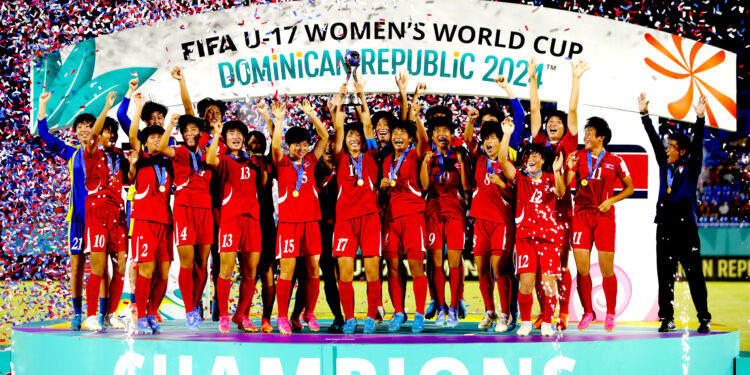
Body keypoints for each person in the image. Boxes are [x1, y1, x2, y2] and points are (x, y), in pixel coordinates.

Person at [638, 93, 711, 333]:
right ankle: (666, 319)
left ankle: (703, 317)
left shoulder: (691, 168)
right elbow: (653, 140)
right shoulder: (663, 165)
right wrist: (645, 116)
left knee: (695, 276)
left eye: (671, 146)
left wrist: (700, 118)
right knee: (665, 277)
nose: (666, 148)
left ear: (681, 152)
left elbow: (697, 144)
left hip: (686, 228)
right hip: (665, 228)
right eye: (667, 146)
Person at [528, 58, 587, 330]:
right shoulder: (539, 143)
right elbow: (535, 108)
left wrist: (575, 78)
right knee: (540, 267)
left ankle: (563, 312)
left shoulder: (570, 142)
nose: (551, 123)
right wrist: (532, 80)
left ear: (565, 127)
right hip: (538, 209)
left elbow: (572, 108)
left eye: (557, 122)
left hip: (562, 208)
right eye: (549, 121)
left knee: (559, 264)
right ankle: (545, 312)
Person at [463, 75, 524, 332]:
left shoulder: (509, 155)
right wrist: (470, 121)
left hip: (502, 220)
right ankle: (490, 310)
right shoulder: (478, 158)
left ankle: (508, 314)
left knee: (502, 269)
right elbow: (468, 141)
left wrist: (507, 90)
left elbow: (519, 118)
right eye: (485, 137)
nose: (489, 142)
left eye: (493, 137)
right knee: (483, 270)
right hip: (480, 220)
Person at [498, 118, 567, 337]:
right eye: (528, 155)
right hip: (525, 238)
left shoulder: (549, 178)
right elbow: (502, 161)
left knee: (548, 284)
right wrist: (507, 134)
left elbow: (560, 192)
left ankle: (547, 322)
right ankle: (525, 322)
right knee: (526, 283)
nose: (530, 158)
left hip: (548, 238)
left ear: (543, 160)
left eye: (535, 155)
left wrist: (557, 171)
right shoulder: (520, 179)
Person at [566, 113, 634, 332]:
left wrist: (611, 201)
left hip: (604, 216)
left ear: (601, 137)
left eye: (589, 133)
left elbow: (630, 188)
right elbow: (568, 183)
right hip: (581, 216)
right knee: (582, 267)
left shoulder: (615, 161)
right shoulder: (577, 155)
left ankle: (611, 313)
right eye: (585, 132)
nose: (585, 136)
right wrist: (568, 168)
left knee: (606, 269)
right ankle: (588, 311)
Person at [35, 92, 94, 330]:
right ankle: (78, 313)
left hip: (99, 217)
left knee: (101, 267)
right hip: (78, 219)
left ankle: (99, 314)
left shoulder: (105, 153)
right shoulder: (71, 153)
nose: (83, 130)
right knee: (78, 266)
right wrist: (42, 106)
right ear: (75, 130)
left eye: (89, 126)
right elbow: (44, 135)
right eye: (80, 126)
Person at [271, 100, 329, 335]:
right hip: (288, 224)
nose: (302, 148)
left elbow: (324, 138)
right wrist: (279, 121)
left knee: (313, 270)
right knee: (287, 272)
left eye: (305, 144)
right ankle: (282, 317)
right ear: (289, 145)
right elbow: (276, 147)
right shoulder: (282, 162)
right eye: (297, 145)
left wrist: (312, 115)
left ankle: (309, 313)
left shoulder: (310, 161)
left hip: (311, 222)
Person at [330, 84, 384, 335]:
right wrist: (341, 96)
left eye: (358, 136)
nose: (354, 138)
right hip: (344, 220)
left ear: (363, 140)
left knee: (373, 270)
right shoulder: (340, 155)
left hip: (370, 217)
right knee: (346, 272)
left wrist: (361, 93)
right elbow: (338, 125)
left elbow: (367, 122)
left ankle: (372, 315)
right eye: (350, 135)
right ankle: (350, 317)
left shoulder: (372, 153)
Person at [205, 119, 267, 333]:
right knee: (226, 270)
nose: (236, 136)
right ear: (226, 137)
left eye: (239, 133)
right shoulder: (222, 159)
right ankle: (223, 314)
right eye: (231, 133)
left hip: (253, 220)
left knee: (251, 272)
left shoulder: (253, 163)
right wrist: (216, 134)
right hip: (231, 220)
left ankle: (242, 315)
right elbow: (209, 158)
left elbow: (264, 184)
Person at [381, 86, 430, 334]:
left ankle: (419, 312)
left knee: (416, 267)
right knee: (392, 267)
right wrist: (382, 185)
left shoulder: (415, 154)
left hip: (413, 217)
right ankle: (399, 311)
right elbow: (386, 187)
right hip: (391, 219)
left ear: (409, 138)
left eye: (403, 132)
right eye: (395, 132)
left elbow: (423, 140)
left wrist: (415, 109)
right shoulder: (387, 160)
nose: (398, 135)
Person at [156, 114, 213, 331]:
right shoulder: (179, 151)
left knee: (202, 263)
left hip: (205, 209)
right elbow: (162, 147)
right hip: (184, 209)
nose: (189, 133)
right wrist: (171, 123)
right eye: (185, 130)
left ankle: (195, 304)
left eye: (193, 130)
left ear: (200, 133)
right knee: (187, 262)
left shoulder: (206, 153)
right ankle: (189, 310)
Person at [82, 92, 130, 332]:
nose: (109, 135)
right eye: (105, 131)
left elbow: (129, 181)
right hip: (97, 211)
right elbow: (92, 135)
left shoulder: (119, 155)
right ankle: (91, 315)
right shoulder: (91, 152)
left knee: (120, 265)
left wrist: (132, 164)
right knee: (99, 267)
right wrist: (107, 107)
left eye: (112, 132)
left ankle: (111, 314)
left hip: (118, 213)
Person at [129, 93, 175, 334]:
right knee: (146, 270)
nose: (156, 140)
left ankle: (152, 312)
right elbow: (133, 131)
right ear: (145, 142)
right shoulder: (141, 159)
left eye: (160, 137)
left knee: (164, 273)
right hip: (145, 221)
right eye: (152, 137)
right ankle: (141, 315)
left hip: (166, 223)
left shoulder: (170, 163)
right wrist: (138, 107)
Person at [420, 116, 469, 327]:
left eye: (446, 130)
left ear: (451, 136)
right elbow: (423, 187)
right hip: (432, 214)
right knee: (437, 263)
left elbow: (467, 185)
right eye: (437, 130)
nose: (442, 134)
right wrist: (424, 162)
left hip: (455, 214)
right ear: (432, 136)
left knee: (455, 263)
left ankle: (454, 309)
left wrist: (463, 162)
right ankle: (441, 308)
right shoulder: (428, 158)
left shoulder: (459, 157)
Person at [315, 136, 346, 332]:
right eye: (325, 145)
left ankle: (353, 315)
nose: (328, 148)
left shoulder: (347, 166)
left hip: (344, 227)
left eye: (332, 145)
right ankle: (338, 316)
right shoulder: (314, 170)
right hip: (323, 228)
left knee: (345, 274)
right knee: (328, 274)